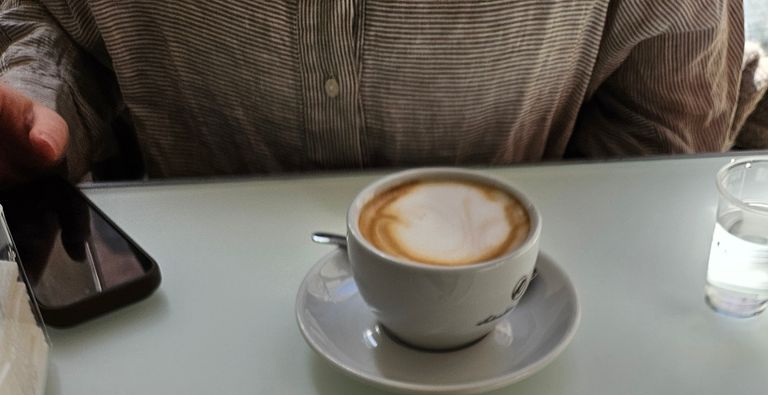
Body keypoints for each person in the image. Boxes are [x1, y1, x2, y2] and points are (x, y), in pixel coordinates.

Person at [0, 0, 764, 184]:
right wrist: (37, 106)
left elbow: (664, 117)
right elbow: (56, 24)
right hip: (184, 315)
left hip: (521, 326)